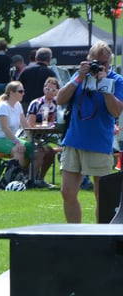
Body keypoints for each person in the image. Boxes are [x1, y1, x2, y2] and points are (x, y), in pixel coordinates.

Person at [55, 42, 123, 223]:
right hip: (73, 141)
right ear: (88, 60)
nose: (100, 66)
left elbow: (116, 112)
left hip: (99, 143)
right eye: (96, 62)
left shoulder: (116, 80)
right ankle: (74, 236)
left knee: (102, 197)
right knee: (67, 192)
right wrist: (78, 77)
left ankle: (101, 237)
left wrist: (104, 85)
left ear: (110, 62)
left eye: (105, 63)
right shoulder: (80, 76)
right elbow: (59, 99)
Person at [0, 81, 33, 179]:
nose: (23, 93)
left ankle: (31, 177)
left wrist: (32, 140)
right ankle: (12, 178)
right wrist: (17, 142)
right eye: (20, 91)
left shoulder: (18, 105)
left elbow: (25, 125)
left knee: (33, 148)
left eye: (23, 91)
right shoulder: (3, 107)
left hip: (11, 139)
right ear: (11, 92)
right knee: (18, 150)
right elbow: (5, 129)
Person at [24, 76, 60, 188]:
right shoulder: (36, 103)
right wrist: (45, 125)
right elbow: (30, 125)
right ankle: (31, 180)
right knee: (40, 151)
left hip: (43, 137)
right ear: (44, 89)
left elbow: (54, 122)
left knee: (50, 152)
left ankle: (41, 179)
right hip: (29, 135)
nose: (50, 92)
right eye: (48, 89)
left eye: (53, 90)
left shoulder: (56, 104)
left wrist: (50, 125)